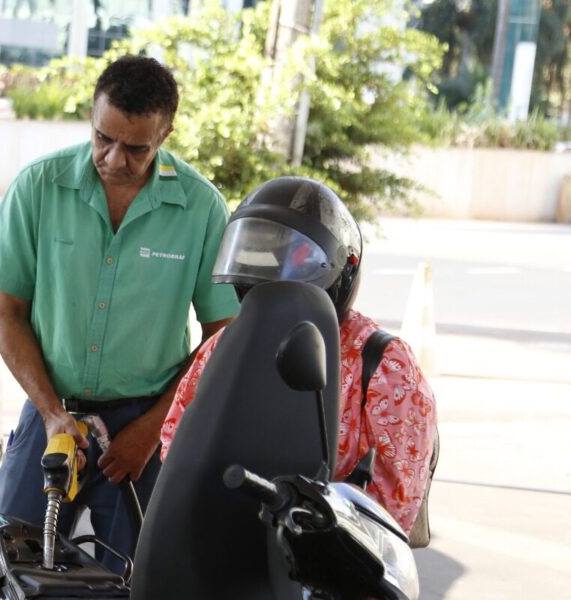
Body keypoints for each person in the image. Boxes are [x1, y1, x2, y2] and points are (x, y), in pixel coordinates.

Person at [0, 55, 239, 570]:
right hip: (51, 411)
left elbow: (220, 337)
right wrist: (51, 415)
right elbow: (7, 313)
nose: (114, 159)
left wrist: (154, 429)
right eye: (102, 139)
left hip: (145, 423)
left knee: (135, 574)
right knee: (13, 566)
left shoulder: (202, 208)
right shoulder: (39, 187)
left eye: (136, 148)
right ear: (92, 117)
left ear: (166, 134)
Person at [159, 176, 437, 534]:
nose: (274, 297)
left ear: (342, 273)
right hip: (230, 541)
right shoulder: (227, 346)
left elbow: (395, 502)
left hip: (329, 556)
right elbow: (176, 445)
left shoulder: (383, 362)